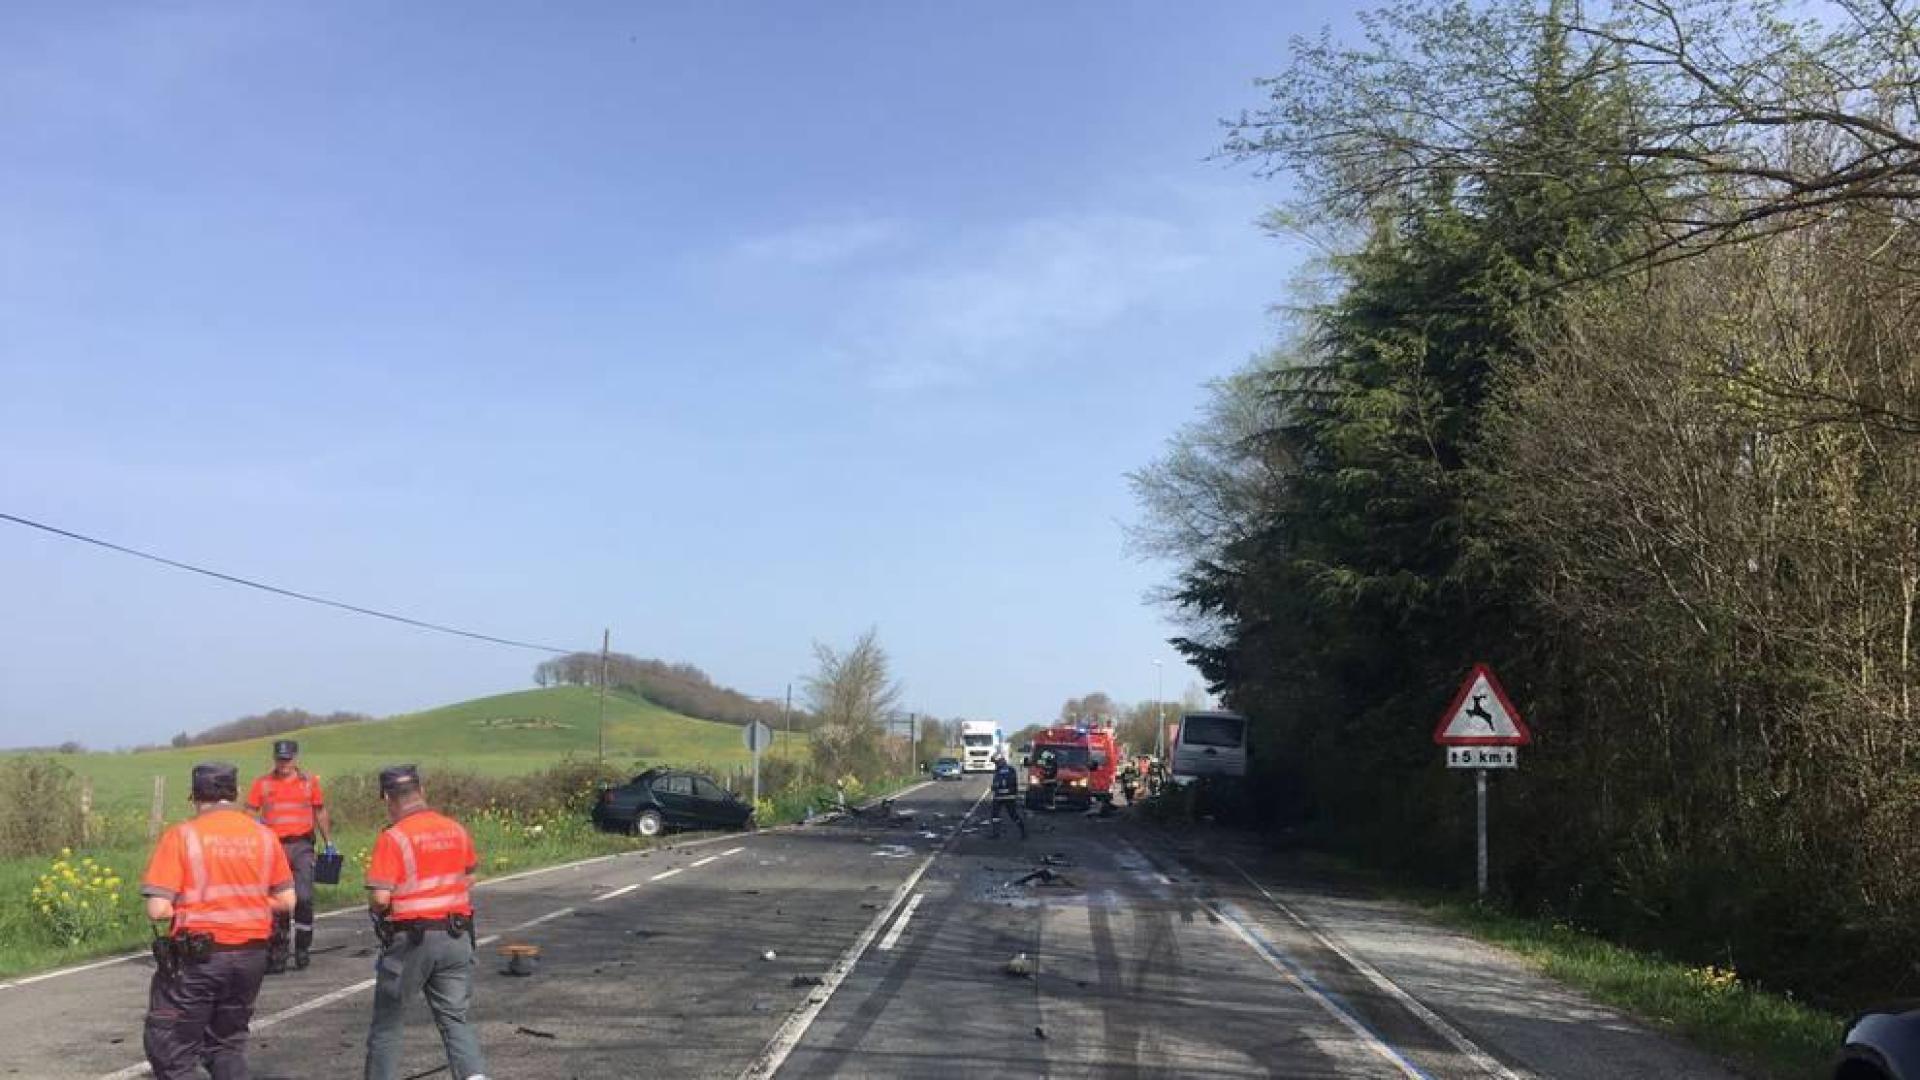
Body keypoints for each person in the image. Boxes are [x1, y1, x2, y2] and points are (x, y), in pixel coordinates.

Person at [140, 762, 295, 1080]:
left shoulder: (183, 836)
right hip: (252, 955)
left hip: (199, 957)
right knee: (227, 1045)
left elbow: (158, 909)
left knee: (172, 1050)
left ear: (194, 796)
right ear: (236, 793)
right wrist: (245, 903)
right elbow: (287, 900)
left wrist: (195, 907)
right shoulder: (265, 837)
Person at [364, 764, 489, 1080]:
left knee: (388, 1023)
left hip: (413, 941)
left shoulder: (394, 838)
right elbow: (470, 874)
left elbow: (380, 898)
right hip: (457, 936)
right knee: (454, 1019)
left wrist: (385, 912)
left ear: (388, 798)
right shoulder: (455, 829)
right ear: (422, 792)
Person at [247, 739, 332, 973]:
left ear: (295, 758)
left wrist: (329, 843)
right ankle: (278, 953)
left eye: (287, 759)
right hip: (274, 849)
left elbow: (320, 811)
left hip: (302, 845)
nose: (283, 763)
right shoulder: (262, 784)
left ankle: (303, 947)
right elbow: (249, 812)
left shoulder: (309, 783)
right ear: (274, 758)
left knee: (303, 898)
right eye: (279, 759)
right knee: (279, 902)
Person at [988, 751, 1026, 840]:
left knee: (996, 815)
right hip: (1008, 796)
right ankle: (1023, 832)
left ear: (999, 761)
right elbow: (1013, 783)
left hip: (1001, 796)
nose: (995, 764)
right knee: (1012, 815)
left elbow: (999, 784)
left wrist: (994, 787)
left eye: (995, 762)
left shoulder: (1001, 770)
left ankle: (996, 833)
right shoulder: (1010, 769)